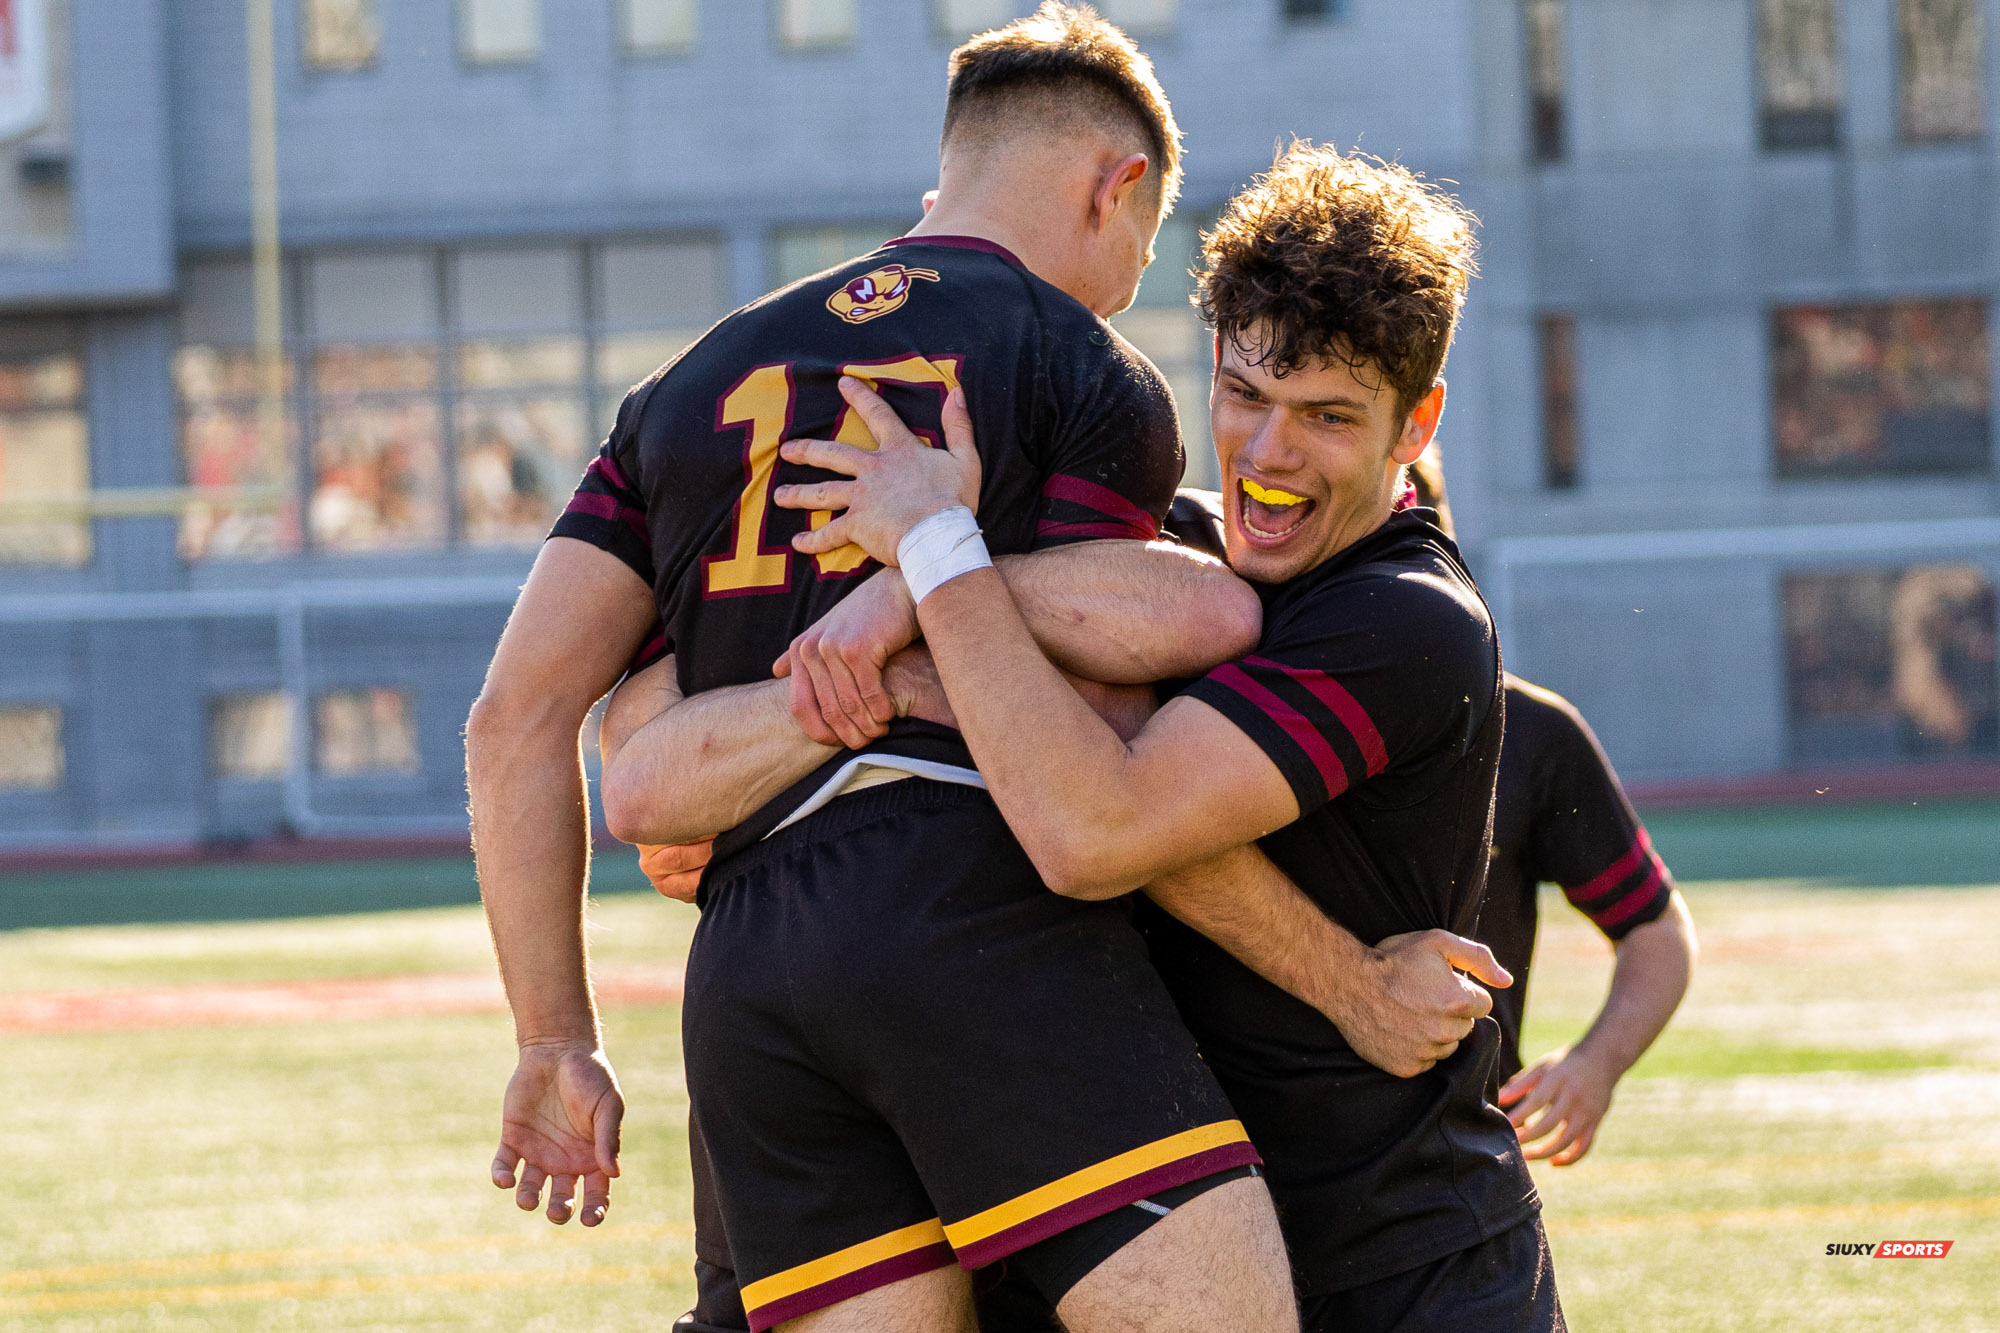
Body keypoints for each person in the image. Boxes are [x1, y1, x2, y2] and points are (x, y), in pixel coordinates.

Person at [470, 8, 1328, 1330]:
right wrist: (936, 601)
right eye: (1141, 249)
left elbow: (516, 722)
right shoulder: (1080, 359)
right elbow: (1098, 713)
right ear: (1121, 189)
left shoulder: (683, 389)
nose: (1126, 278)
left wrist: (553, 1037)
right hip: (971, 909)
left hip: (751, 970)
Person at [767, 143, 1563, 1330]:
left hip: (1403, 1269)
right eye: (1244, 395)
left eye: (1328, 417)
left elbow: (1101, 827)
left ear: (1417, 424)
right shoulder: (1152, 557)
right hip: (1149, 1253)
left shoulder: (1406, 620)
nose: (1268, 454)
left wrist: (933, 572)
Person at [1402, 451, 1699, 1166]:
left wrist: (1596, 1063)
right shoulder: (1255, 714)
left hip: (1467, 1161)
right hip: (1275, 1157)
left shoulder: (1532, 732)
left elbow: (1656, 932)